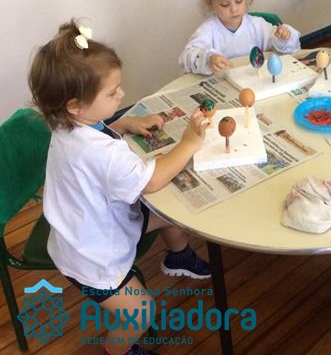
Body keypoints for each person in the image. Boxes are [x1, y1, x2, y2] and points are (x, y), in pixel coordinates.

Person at [29, 20, 212, 355]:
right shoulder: (101, 153)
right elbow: (152, 180)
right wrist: (188, 142)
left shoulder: (67, 124)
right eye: (113, 93)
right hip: (94, 258)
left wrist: (123, 123)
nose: (122, 94)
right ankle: (118, 351)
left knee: (173, 213)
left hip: (89, 227)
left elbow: (95, 134)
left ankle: (179, 256)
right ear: (75, 105)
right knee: (139, 313)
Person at [179, 0, 301, 74]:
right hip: (223, 85)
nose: (234, 9)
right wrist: (209, 59)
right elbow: (186, 57)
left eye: (239, 1)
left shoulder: (257, 26)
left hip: (255, 83)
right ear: (210, 2)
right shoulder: (208, 30)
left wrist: (284, 37)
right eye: (225, 4)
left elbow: (290, 49)